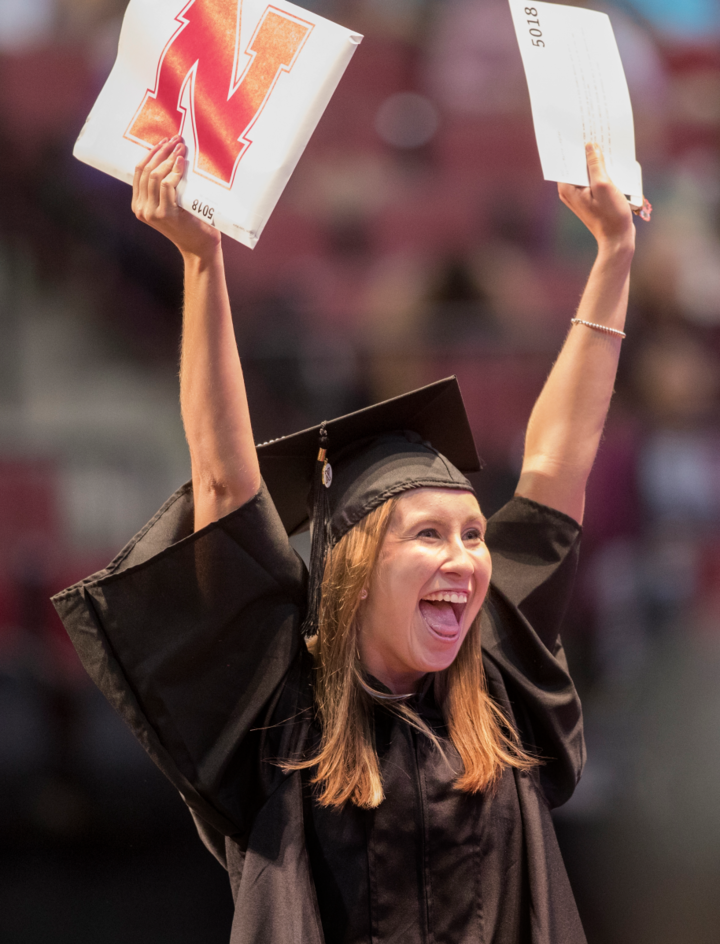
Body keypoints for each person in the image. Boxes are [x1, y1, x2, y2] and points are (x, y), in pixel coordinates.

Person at [53, 136, 636, 944]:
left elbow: (555, 466)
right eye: (429, 534)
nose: (466, 558)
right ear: (359, 569)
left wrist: (613, 254)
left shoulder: (499, 683)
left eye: (472, 534)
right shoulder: (279, 709)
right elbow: (225, 481)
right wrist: (200, 260)